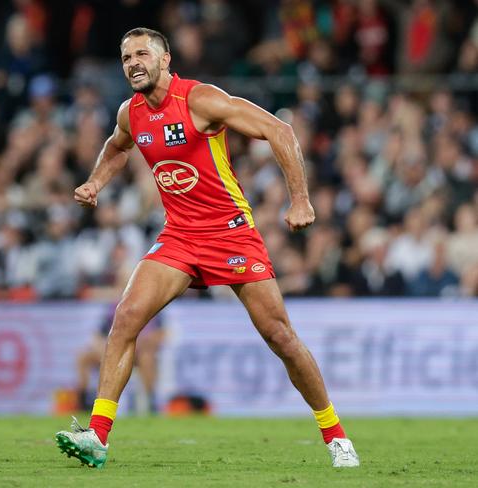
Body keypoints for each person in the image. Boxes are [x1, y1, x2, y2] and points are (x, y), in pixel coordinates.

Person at [55, 27, 360, 469]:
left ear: (165, 60)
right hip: (179, 235)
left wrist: (300, 199)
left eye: (142, 54)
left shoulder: (199, 100)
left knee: (280, 337)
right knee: (125, 317)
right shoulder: (130, 112)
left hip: (230, 233)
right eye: (125, 58)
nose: (133, 63)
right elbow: (117, 146)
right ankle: (97, 437)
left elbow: (279, 129)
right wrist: (95, 182)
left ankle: (336, 436)